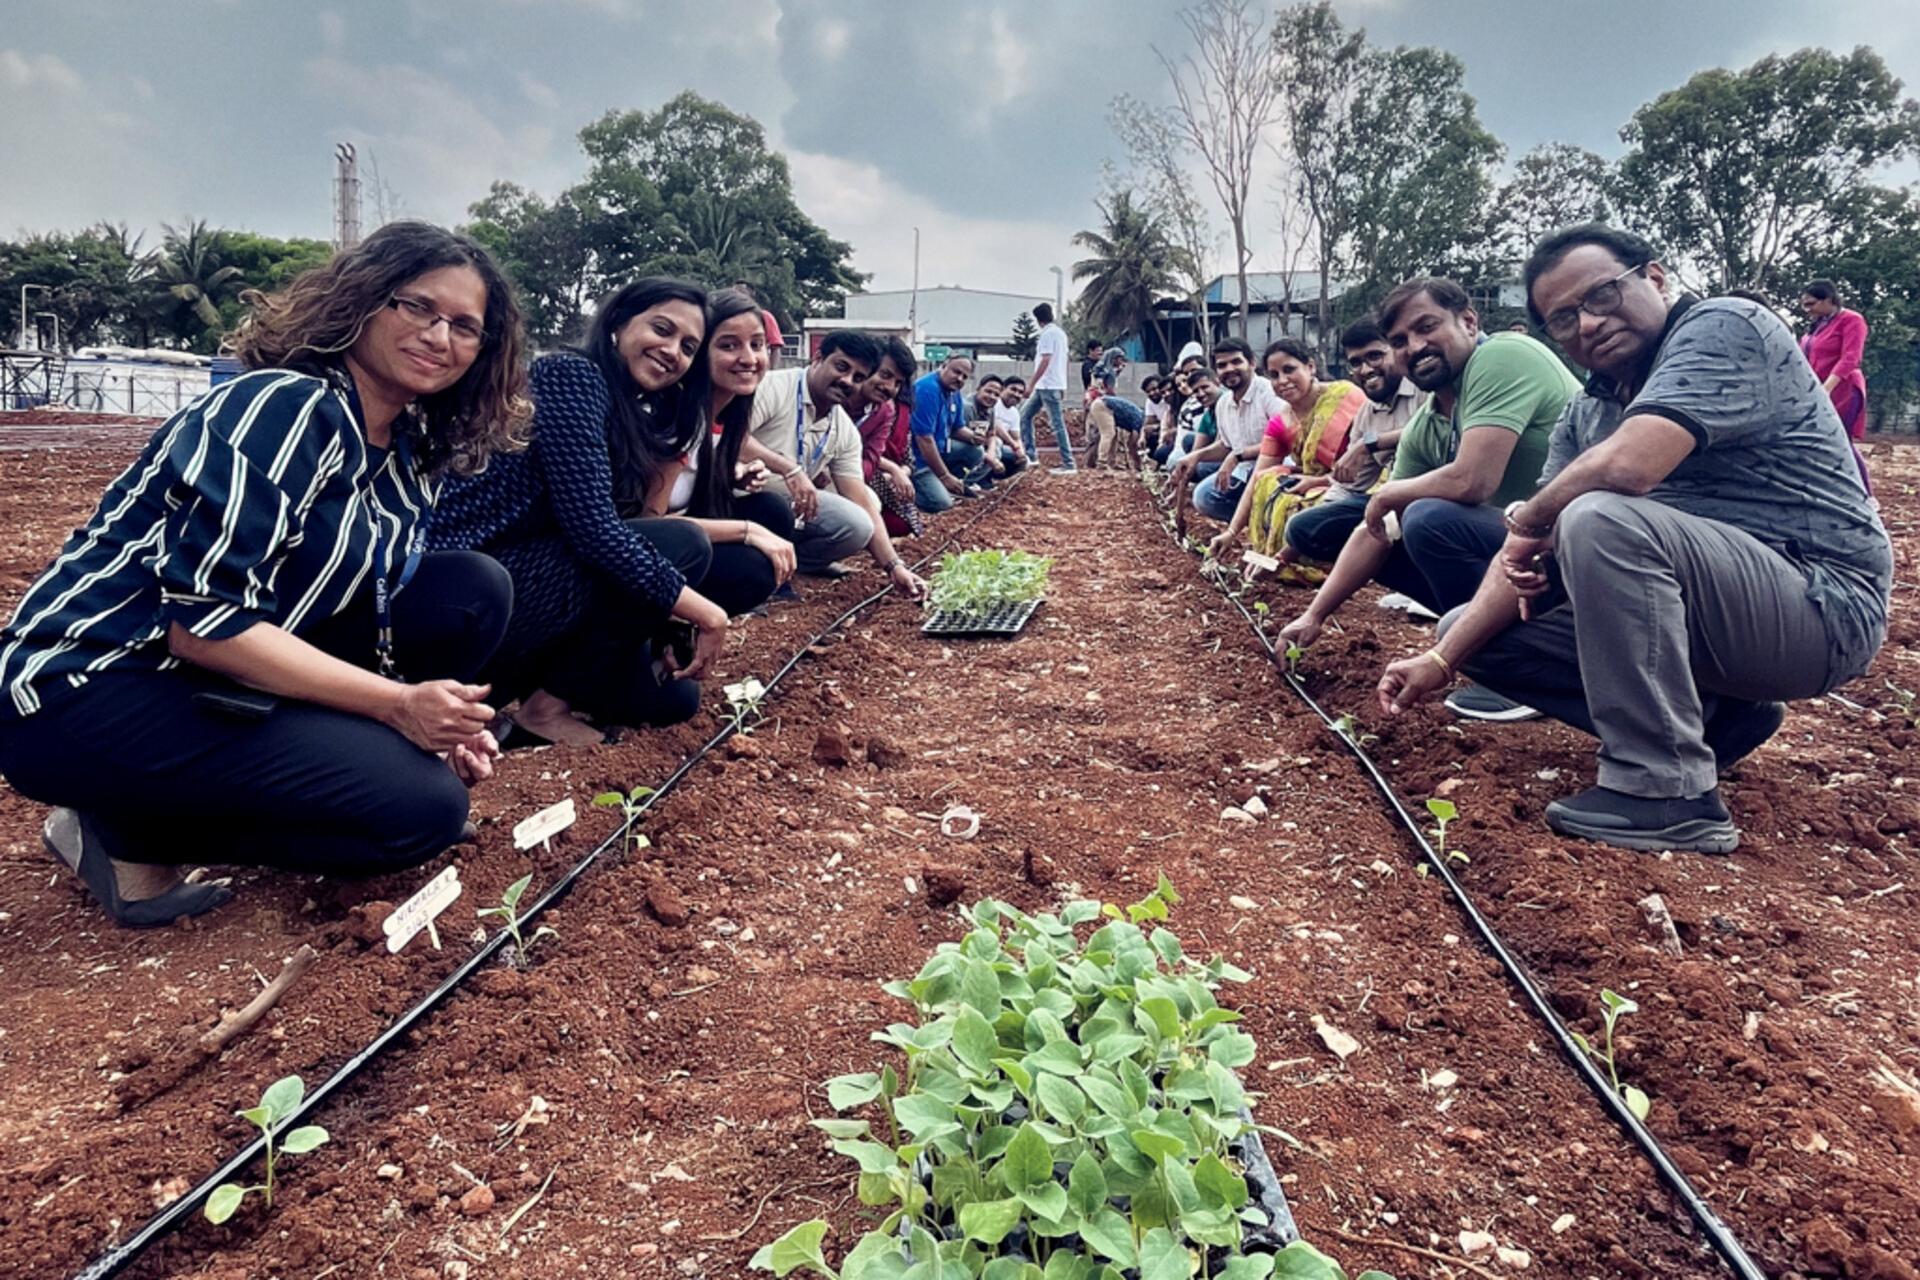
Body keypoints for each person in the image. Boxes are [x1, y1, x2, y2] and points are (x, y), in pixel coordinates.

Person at [0, 222, 529, 926]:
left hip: (211, 678)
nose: (440, 336)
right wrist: (395, 709)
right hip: (92, 684)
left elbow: (361, 610)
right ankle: (121, 826)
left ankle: (175, 805)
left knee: (469, 591)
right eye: (418, 307)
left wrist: (437, 720)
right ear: (365, 300)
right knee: (419, 811)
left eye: (466, 327)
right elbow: (204, 627)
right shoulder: (283, 407)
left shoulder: (406, 455)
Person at [1377, 224, 1892, 854]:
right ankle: (1717, 722)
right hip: (1720, 616)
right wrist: (1440, 661)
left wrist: (1533, 520)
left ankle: (1667, 792)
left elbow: (1629, 466)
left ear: (1653, 278)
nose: (1588, 324)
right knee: (1471, 631)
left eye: (1600, 297)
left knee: (1598, 514)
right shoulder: (1587, 411)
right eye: (1563, 319)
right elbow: (1524, 556)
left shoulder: (1724, 327)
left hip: (1819, 604)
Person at [433, 278, 752, 744]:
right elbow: (595, 530)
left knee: (675, 701)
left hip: (530, 575)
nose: (672, 351)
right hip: (472, 578)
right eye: (661, 329)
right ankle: (540, 710)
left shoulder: (627, 407)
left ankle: (531, 699)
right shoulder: (570, 375)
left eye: (687, 347)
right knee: (681, 545)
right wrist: (702, 610)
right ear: (619, 324)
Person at [1279, 277, 1579, 721]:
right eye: (1400, 340)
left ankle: (1519, 668)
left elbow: (1473, 481)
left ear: (1469, 321)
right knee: (1391, 531)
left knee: (1429, 519)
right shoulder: (1431, 420)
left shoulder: (1503, 355)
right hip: (1520, 557)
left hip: (1580, 547)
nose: (1414, 347)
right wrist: (1314, 615)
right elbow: (1373, 528)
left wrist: (1390, 495)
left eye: (1426, 327)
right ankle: (1497, 658)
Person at [634, 287, 798, 615]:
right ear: (698, 354)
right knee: (752, 567)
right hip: (643, 551)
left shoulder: (725, 417)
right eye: (728, 345)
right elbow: (649, 525)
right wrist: (748, 531)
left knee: (772, 508)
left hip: (680, 536)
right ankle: (668, 624)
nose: (749, 359)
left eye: (757, 344)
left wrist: (732, 476)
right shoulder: (678, 419)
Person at [744, 331, 929, 597]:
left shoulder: (843, 428)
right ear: (818, 357)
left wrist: (894, 566)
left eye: (858, 377)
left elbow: (859, 497)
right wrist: (788, 469)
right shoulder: (774, 387)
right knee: (773, 507)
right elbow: (729, 437)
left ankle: (792, 564)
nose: (847, 381)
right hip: (737, 496)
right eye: (842, 367)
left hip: (787, 506)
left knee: (858, 523)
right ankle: (756, 568)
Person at [1206, 339, 1367, 578]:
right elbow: (1257, 478)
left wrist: (1320, 481)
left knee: (1308, 504)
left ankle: (1315, 562)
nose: (1282, 381)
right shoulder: (1281, 421)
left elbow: (1371, 463)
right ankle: (1272, 559)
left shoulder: (1346, 396)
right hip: (1315, 484)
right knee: (1268, 481)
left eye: (1289, 370)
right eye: (1274, 375)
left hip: (1356, 487)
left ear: (1310, 367)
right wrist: (1231, 532)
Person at [1276, 320, 1425, 573]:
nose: (1366, 369)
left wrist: (1369, 444)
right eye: (1356, 362)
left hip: (1431, 501)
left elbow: (1429, 430)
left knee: (1411, 518)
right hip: (1388, 503)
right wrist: (1287, 552)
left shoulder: (1423, 389)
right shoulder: (1366, 414)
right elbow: (1349, 486)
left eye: (1375, 356)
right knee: (1303, 527)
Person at [1170, 338, 1284, 525]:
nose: (1229, 369)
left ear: (1252, 363)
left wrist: (1239, 455)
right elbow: (1225, 445)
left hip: (1275, 467)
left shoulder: (1268, 393)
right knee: (1204, 497)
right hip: (1243, 470)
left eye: (1236, 361)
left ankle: (1268, 520)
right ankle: (1255, 521)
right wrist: (1195, 457)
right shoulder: (1224, 403)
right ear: (1217, 372)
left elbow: (1285, 440)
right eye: (1222, 365)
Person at [856, 336, 922, 539]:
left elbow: (906, 454)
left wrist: (901, 471)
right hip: (860, 473)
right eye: (885, 375)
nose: (890, 387)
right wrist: (889, 471)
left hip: (874, 471)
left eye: (898, 383)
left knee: (903, 524)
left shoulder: (888, 409)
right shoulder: (846, 398)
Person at [910, 354, 990, 512]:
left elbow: (957, 428)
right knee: (941, 503)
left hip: (940, 450)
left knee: (975, 452)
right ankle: (911, 492)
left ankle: (944, 483)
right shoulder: (928, 389)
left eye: (964, 376)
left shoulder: (954, 393)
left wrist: (974, 437)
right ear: (943, 366)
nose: (960, 378)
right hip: (916, 458)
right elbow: (924, 439)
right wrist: (944, 476)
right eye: (956, 372)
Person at [1799, 280, 1869, 440]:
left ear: (1829, 300)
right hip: (1818, 391)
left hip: (1842, 389)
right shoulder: (1818, 325)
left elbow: (1851, 357)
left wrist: (1826, 388)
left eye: (1811, 304)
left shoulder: (1851, 320)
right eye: (1804, 305)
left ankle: (1854, 467)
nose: (1807, 310)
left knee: (1839, 442)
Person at [1018, 303, 1074, 472]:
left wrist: (1031, 384)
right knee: (1024, 416)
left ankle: (1069, 463)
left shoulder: (1047, 335)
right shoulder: (1060, 334)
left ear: (1038, 320)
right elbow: (1061, 361)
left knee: (1057, 424)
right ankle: (1031, 455)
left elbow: (1045, 360)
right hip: (1049, 385)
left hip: (1047, 385)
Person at [992, 376, 1032, 474]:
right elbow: (995, 426)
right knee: (997, 442)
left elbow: (1016, 437)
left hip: (1002, 446)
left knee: (1025, 460)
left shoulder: (1014, 413)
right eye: (1013, 389)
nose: (1016, 394)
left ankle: (1000, 478)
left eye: (1020, 392)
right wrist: (1013, 445)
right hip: (987, 442)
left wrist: (1021, 453)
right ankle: (983, 480)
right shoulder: (994, 402)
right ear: (1003, 389)